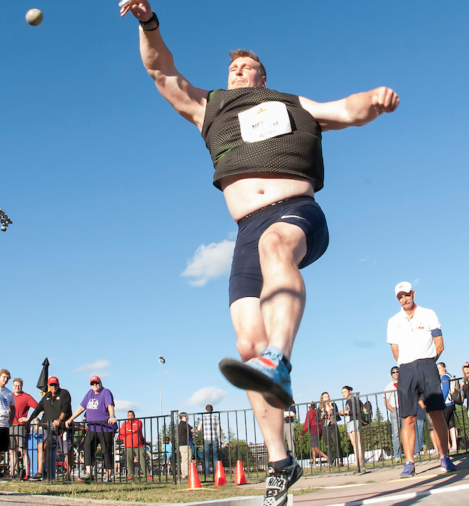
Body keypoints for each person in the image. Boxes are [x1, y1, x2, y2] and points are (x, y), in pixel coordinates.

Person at [119, 1, 400, 502]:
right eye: (231, 67)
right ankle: (280, 460)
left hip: (296, 212)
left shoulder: (293, 103)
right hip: (245, 230)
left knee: (277, 251)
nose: (236, 70)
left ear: (263, 76)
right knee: (246, 347)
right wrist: (148, 22)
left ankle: (281, 358)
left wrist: (374, 101)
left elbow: (346, 109)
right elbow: (161, 69)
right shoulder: (210, 107)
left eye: (246, 66)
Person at [386, 281, 456, 478]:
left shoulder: (428, 314)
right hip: (406, 369)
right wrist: (409, 364)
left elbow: (439, 344)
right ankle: (409, 463)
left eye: (407, 295)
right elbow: (395, 351)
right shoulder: (393, 321)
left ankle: (445, 457)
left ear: (413, 293)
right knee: (408, 417)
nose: (404, 299)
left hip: (427, 365)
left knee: (436, 412)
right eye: (400, 297)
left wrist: (427, 361)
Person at [67, 376, 117, 483]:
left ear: (100, 382)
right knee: (88, 447)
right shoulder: (89, 393)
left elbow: (110, 405)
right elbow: (81, 407)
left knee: (106, 451)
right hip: (92, 427)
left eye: (97, 383)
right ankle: (89, 474)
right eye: (92, 383)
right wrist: (71, 418)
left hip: (105, 428)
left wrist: (112, 416)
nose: (95, 385)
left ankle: (108, 475)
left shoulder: (106, 392)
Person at [26, 376, 73, 480]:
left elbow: (66, 407)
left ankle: (68, 475)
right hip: (49, 428)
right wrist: (29, 420)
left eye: (55, 384)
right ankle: (40, 472)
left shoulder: (64, 393)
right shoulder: (46, 396)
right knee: (41, 446)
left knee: (67, 451)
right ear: (48, 386)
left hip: (63, 428)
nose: (54, 387)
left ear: (58, 384)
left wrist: (60, 419)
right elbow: (38, 408)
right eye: (51, 385)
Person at [10, 378, 39, 481]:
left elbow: (38, 407)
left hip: (21, 426)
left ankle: (27, 473)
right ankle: (12, 473)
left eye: (19, 385)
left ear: (22, 386)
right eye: (15, 385)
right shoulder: (10, 396)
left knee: (23, 450)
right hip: (10, 426)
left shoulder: (26, 397)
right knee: (12, 451)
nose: (17, 387)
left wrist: (29, 418)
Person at [118, 410, 148, 480]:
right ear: (127, 416)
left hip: (138, 445)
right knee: (129, 461)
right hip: (128, 445)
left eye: (131, 415)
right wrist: (131, 431)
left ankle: (147, 474)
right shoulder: (124, 424)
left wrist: (127, 431)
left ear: (134, 416)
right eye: (129, 415)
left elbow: (136, 429)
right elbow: (121, 432)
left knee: (142, 460)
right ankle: (130, 475)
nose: (130, 417)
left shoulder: (138, 422)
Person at [338, 386, 362, 466]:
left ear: (349, 391)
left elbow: (354, 410)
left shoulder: (353, 399)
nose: (343, 394)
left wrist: (344, 412)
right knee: (353, 442)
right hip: (349, 421)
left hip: (354, 420)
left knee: (357, 441)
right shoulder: (347, 401)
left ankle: (360, 460)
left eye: (345, 392)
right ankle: (357, 460)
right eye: (342, 392)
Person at [437, 362, 459, 451]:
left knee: (443, 425)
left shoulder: (444, 377)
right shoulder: (449, 376)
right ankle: (454, 445)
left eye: (439, 368)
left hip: (446, 403)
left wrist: (441, 402)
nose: (438, 370)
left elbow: (445, 391)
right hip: (451, 403)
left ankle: (447, 445)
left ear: (444, 368)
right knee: (451, 425)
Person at [384, 367, 402, 460]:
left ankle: (412, 452)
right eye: (394, 372)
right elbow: (386, 401)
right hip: (395, 409)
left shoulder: (404, 383)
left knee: (408, 431)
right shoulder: (389, 386)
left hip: (405, 407)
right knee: (396, 433)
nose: (396, 373)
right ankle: (397, 454)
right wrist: (393, 410)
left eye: (397, 372)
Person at [197, 405, 221, 476]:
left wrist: (202, 431)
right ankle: (217, 473)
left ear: (206, 410)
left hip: (206, 438)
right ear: (212, 410)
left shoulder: (203, 418)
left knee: (206, 457)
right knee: (215, 457)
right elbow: (219, 429)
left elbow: (198, 429)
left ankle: (207, 473)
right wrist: (221, 438)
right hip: (214, 438)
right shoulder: (215, 417)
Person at [318, 393, 340, 466]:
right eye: (325, 397)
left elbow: (336, 414)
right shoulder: (320, 408)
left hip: (333, 424)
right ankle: (330, 462)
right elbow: (318, 419)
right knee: (328, 445)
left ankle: (340, 460)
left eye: (328, 396)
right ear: (322, 399)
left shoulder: (333, 405)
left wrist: (331, 408)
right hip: (325, 426)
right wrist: (322, 416)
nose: (327, 398)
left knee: (337, 442)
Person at [176, 412, 194, 480]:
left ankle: (183, 474)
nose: (188, 417)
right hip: (186, 444)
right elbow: (192, 430)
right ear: (183, 417)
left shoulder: (179, 425)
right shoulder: (185, 424)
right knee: (187, 459)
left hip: (180, 445)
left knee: (183, 460)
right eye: (187, 416)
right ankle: (187, 474)